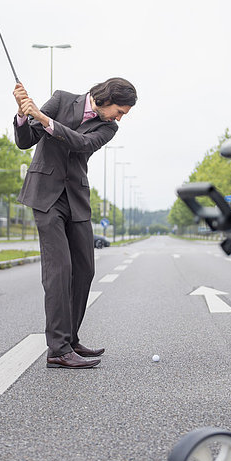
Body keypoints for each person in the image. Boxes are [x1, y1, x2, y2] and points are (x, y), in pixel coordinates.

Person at [13, 78, 137, 369]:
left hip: (76, 198)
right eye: (119, 111)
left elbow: (81, 143)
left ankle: (70, 338)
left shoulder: (108, 128)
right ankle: (58, 350)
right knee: (59, 269)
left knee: (84, 269)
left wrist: (43, 119)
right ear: (106, 98)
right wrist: (23, 112)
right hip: (45, 195)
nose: (120, 118)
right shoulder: (60, 99)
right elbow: (25, 141)